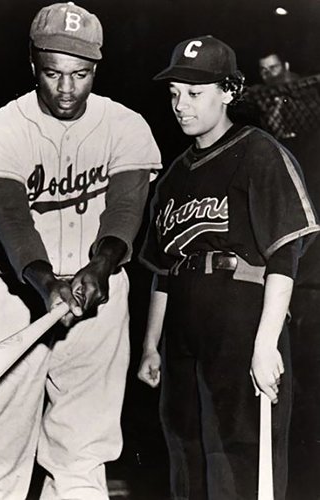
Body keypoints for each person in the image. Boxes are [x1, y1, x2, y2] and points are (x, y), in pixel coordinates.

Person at [0, 2, 162, 499]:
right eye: (53, 73)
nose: (67, 89)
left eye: (80, 74)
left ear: (96, 69)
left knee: (84, 451)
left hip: (99, 293)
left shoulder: (125, 125)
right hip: (15, 295)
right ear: (33, 64)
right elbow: (13, 226)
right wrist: (46, 284)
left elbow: (126, 209)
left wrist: (102, 266)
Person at [137, 35, 319, 500]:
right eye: (175, 93)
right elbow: (162, 267)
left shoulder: (259, 151)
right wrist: (150, 346)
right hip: (182, 323)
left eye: (195, 93)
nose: (182, 105)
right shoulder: (175, 175)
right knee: (186, 451)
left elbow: (284, 253)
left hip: (239, 314)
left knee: (238, 456)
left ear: (229, 91)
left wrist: (266, 343)